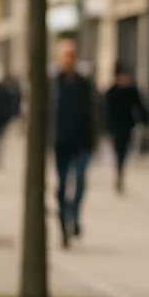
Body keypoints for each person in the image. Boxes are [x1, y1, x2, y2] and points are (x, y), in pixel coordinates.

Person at [51, 37, 97, 245]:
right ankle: (63, 224)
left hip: (81, 141)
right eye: (65, 55)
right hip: (61, 142)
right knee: (61, 187)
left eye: (72, 55)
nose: (69, 59)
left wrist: (94, 137)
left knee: (79, 183)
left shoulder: (83, 83)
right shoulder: (53, 84)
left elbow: (93, 111)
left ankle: (74, 215)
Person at [103, 69, 149, 194]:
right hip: (115, 127)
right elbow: (105, 110)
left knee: (124, 150)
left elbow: (140, 106)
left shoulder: (131, 91)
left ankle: (120, 169)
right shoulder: (112, 92)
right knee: (118, 149)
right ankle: (119, 169)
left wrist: (145, 121)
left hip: (127, 126)